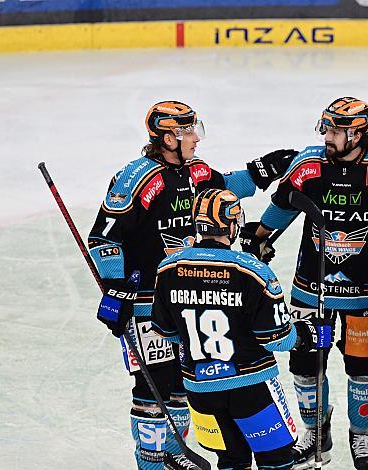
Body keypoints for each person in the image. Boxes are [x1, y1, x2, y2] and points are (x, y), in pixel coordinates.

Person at [88, 100, 296, 469]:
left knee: (185, 384)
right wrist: (117, 289)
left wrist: (262, 170)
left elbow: (225, 188)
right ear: (168, 138)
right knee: (153, 388)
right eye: (188, 132)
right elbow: (104, 240)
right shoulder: (137, 178)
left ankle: (173, 452)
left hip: (186, 301)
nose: (196, 139)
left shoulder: (194, 170)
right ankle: (152, 460)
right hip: (146, 305)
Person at [240, 97, 368, 470]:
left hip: (365, 289)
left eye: (334, 131)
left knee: (364, 368)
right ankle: (317, 433)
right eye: (326, 130)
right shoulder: (310, 164)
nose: (326, 137)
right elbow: (286, 202)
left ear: (357, 133)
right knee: (304, 363)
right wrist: (263, 235)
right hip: (310, 288)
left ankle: (360, 437)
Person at [150, 188, 332, 470]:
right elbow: (277, 338)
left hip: (200, 390)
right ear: (232, 225)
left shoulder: (168, 268)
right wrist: (307, 334)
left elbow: (165, 330)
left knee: (232, 461)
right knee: (277, 460)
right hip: (251, 387)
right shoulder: (253, 272)